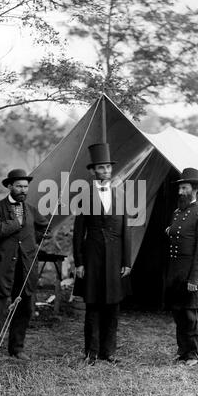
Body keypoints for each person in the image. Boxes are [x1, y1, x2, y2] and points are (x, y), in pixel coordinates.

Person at [0, 169, 50, 366]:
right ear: (10, 186)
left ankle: (16, 349)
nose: (23, 190)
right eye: (19, 186)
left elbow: (45, 228)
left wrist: (37, 238)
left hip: (26, 268)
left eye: (25, 186)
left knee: (24, 309)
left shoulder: (31, 209)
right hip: (3, 269)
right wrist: (15, 223)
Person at [73, 143, 131, 366]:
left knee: (113, 307)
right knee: (93, 306)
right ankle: (91, 352)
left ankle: (110, 351)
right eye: (101, 168)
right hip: (93, 258)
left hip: (116, 259)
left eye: (108, 167)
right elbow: (78, 234)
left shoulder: (120, 195)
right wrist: (79, 262)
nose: (106, 171)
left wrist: (127, 261)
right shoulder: (84, 196)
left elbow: (127, 230)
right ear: (93, 171)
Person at [165, 167, 198, 367]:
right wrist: (170, 231)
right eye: (179, 188)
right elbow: (178, 235)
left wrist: (195, 279)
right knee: (178, 313)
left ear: (195, 190)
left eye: (184, 188)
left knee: (191, 315)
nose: (180, 192)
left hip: (191, 272)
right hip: (176, 272)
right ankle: (183, 351)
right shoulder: (177, 213)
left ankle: (194, 354)